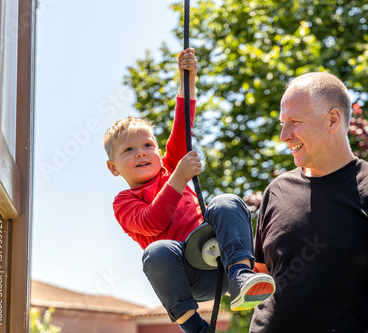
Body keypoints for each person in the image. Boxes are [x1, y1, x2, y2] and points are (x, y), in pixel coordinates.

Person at [103, 48, 275, 333]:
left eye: (148, 145)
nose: (141, 153)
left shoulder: (170, 166)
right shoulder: (125, 201)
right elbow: (152, 222)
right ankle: (193, 325)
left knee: (226, 202)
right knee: (156, 251)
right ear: (114, 168)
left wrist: (188, 79)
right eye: (129, 150)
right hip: (189, 275)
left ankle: (242, 275)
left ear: (158, 151)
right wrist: (179, 179)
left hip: (221, 260)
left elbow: (183, 124)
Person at [250, 72, 368, 333]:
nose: (284, 135)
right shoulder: (276, 191)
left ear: (332, 120)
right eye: (283, 123)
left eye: (294, 122)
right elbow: (259, 283)